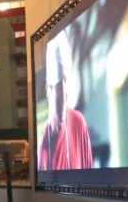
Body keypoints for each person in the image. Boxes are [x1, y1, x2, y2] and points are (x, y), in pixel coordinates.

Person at [38, 31, 93, 171]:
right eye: (57, 85)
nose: (62, 89)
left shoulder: (78, 122)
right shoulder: (46, 140)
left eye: (65, 81)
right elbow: (58, 115)